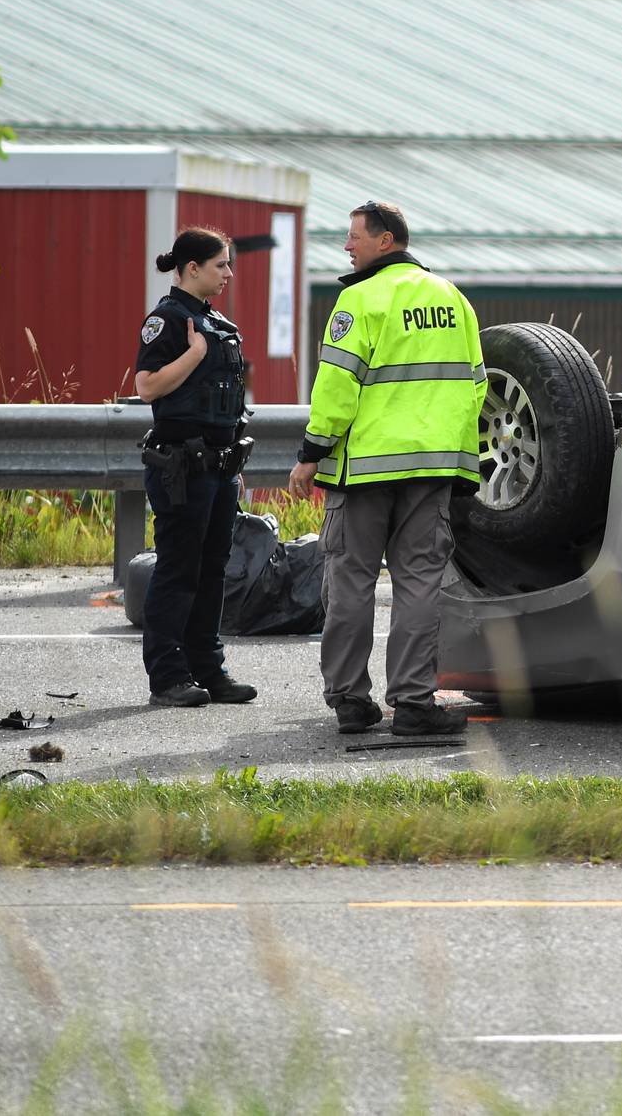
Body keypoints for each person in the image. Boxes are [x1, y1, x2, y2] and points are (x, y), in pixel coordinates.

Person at [288, 200, 488, 736]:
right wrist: (458, 463)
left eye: (355, 237)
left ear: (386, 240)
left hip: (366, 473)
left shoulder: (359, 300)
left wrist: (311, 453)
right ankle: (415, 703)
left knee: (351, 581)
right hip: (431, 471)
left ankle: (351, 700)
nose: (347, 246)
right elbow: (475, 387)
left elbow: (336, 387)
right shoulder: (454, 299)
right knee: (420, 583)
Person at [133, 227, 258, 707]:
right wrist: (194, 355)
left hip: (220, 466)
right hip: (182, 468)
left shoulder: (216, 321)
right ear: (192, 269)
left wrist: (233, 464)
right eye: (220, 265)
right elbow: (147, 387)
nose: (228, 273)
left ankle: (210, 670)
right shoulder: (167, 322)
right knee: (179, 571)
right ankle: (168, 677)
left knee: (213, 571)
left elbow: (227, 399)